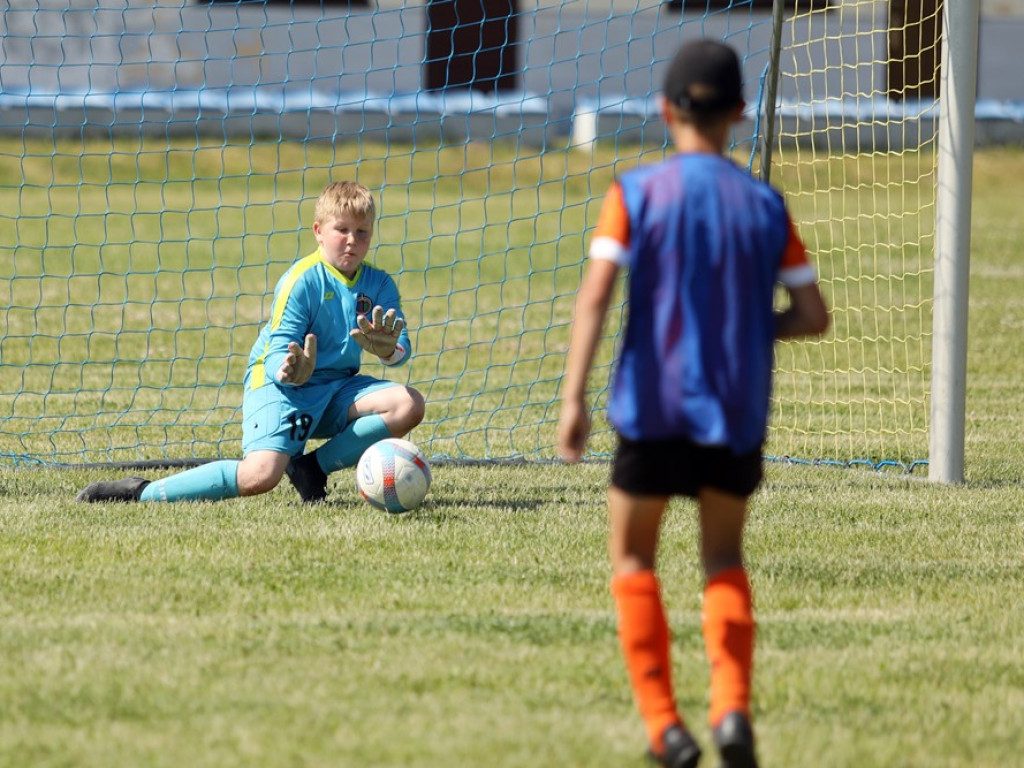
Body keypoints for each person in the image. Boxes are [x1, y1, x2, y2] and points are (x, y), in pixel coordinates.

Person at [557, 41, 829, 768]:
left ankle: (665, 729)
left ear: (664, 109)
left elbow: (594, 298)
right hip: (733, 412)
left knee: (634, 556)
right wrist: (745, 322)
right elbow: (812, 314)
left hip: (651, 405)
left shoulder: (636, 193)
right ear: (741, 112)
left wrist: (573, 399)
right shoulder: (766, 205)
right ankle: (732, 711)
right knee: (721, 558)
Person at [78, 181, 425, 505]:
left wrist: (388, 350)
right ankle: (141, 492)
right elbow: (277, 349)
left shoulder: (378, 284)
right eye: (342, 229)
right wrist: (290, 371)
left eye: (362, 232)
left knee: (408, 404)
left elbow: (399, 347)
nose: (352, 240)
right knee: (259, 476)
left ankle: (311, 469)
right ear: (319, 232)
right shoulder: (301, 282)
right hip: (283, 389)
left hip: (338, 388)